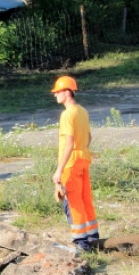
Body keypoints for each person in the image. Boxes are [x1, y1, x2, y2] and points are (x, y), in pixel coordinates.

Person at [51, 75, 100, 252]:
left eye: (57, 92)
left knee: (73, 201)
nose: (55, 95)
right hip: (84, 158)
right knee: (86, 198)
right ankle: (93, 236)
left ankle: (81, 242)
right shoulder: (82, 111)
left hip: (71, 162)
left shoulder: (67, 114)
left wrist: (59, 170)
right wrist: (82, 152)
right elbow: (88, 137)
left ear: (67, 92)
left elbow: (69, 143)